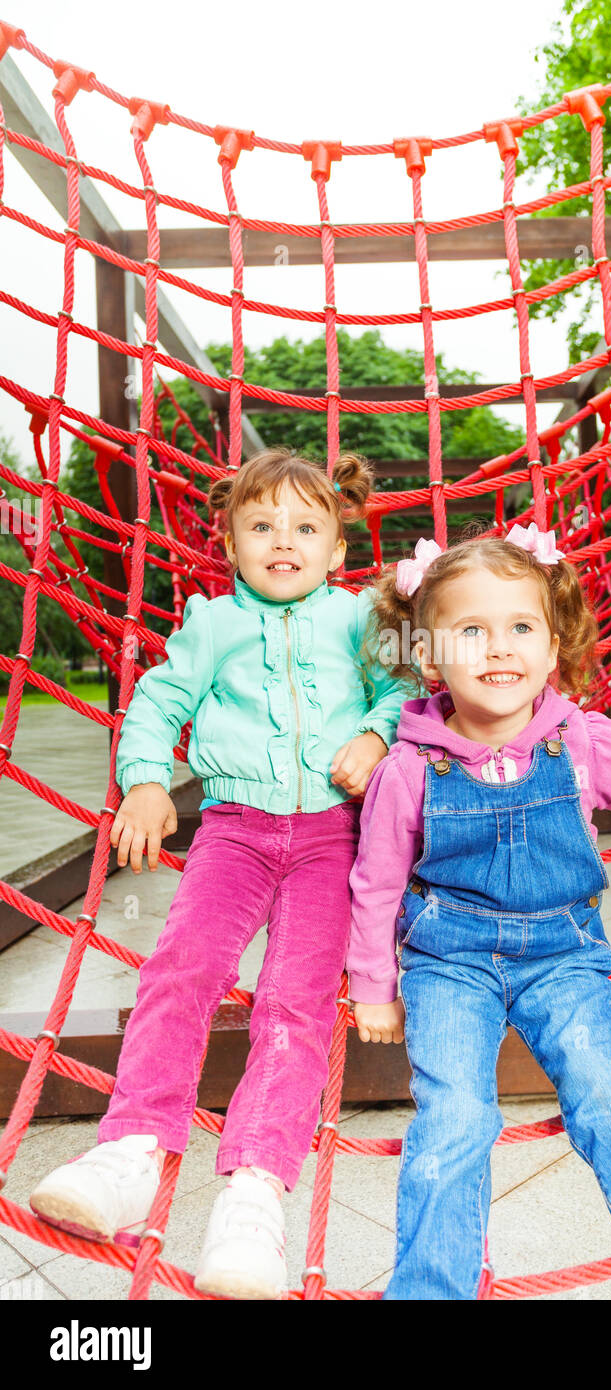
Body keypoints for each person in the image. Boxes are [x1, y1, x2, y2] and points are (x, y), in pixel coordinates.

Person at [347, 525, 611, 1301]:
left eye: (521, 628)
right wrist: (373, 984)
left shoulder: (583, 741)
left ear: (552, 649)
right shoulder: (408, 768)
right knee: (454, 1120)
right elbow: (375, 883)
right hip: (449, 962)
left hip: (563, 955)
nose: (499, 648)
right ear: (428, 657)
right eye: (470, 631)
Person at [30, 448, 413, 1300]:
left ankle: (255, 1189)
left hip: (332, 837)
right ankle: (132, 1146)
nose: (285, 540)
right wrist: (143, 781)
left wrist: (376, 736)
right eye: (262, 525)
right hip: (233, 832)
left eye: (306, 527)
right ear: (231, 544)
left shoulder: (360, 620)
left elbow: (404, 691)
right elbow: (160, 701)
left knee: (295, 1001)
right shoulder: (210, 623)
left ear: (338, 549)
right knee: (183, 967)